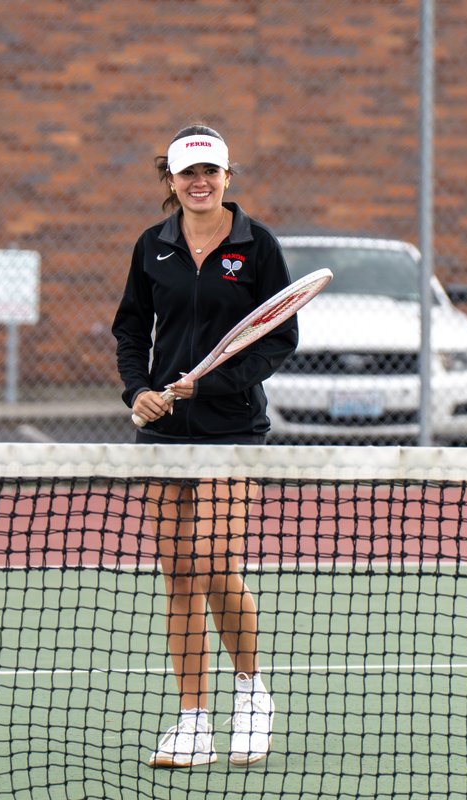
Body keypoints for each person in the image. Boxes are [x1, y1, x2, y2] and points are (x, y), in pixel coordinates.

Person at [112, 124, 298, 768]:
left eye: (210, 171)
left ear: (227, 174)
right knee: (178, 576)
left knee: (213, 561)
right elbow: (132, 329)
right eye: (188, 173)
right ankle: (193, 719)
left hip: (232, 430)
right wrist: (138, 390)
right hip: (164, 434)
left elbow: (277, 340)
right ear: (171, 179)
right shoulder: (152, 247)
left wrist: (212, 384)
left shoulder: (257, 245)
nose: (199, 182)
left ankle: (251, 696)